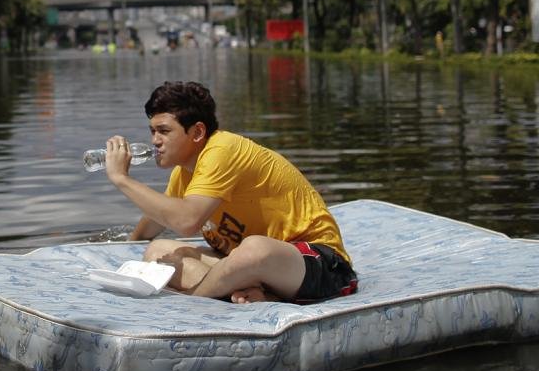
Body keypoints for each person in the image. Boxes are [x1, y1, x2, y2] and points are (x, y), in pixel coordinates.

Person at [101, 79, 357, 305]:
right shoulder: (184, 172)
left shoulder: (224, 150)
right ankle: (253, 293)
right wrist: (127, 249)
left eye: (164, 131)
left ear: (198, 132)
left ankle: (195, 299)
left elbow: (187, 221)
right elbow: (157, 219)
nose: (155, 140)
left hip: (318, 264)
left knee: (255, 249)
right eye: (152, 131)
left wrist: (121, 179)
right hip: (247, 265)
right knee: (159, 252)